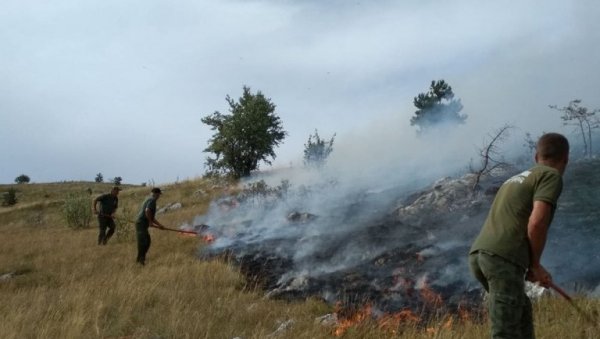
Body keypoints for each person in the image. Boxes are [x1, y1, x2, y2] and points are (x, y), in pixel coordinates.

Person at [469, 132, 569, 339]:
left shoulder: (514, 180)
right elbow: (537, 222)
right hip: (501, 259)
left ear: (536, 157)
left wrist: (530, 267)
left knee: (521, 315)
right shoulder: (550, 175)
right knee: (505, 332)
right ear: (565, 159)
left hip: (480, 256)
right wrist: (535, 264)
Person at [135, 187, 165, 265]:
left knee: (147, 241)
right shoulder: (152, 200)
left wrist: (160, 225)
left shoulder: (148, 199)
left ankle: (141, 259)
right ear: (156, 194)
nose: (159, 196)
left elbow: (151, 216)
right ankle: (140, 261)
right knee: (143, 242)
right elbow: (147, 211)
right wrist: (150, 222)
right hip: (141, 223)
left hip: (142, 224)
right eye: (158, 194)